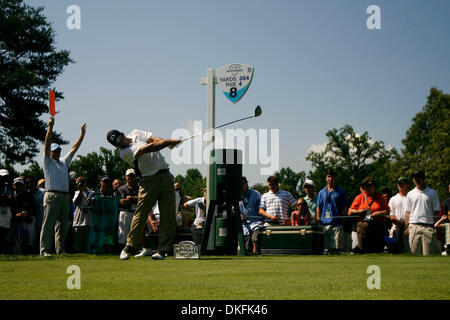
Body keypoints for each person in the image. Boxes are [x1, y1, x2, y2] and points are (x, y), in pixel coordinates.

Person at [107, 129, 180, 260]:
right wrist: (168, 142)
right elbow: (149, 148)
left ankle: (162, 250)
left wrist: (166, 143)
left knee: (168, 214)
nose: (121, 144)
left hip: (166, 175)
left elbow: (153, 140)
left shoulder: (135, 133)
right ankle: (130, 245)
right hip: (148, 181)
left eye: (121, 140)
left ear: (123, 134)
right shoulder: (123, 152)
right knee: (140, 214)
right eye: (118, 144)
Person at [40, 116, 86, 257]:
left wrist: (82, 135)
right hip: (52, 195)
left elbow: (74, 148)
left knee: (62, 226)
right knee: (48, 224)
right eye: (56, 150)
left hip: (65, 197)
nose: (58, 152)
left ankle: (60, 250)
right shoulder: (48, 161)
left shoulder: (63, 162)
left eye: (59, 150)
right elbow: (47, 143)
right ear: (51, 152)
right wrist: (50, 127)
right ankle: (45, 250)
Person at [404, 170, 441, 255]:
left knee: (429, 255)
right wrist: (406, 227)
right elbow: (407, 212)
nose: (416, 180)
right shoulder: (410, 194)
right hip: (413, 226)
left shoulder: (432, 193)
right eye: (414, 178)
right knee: (413, 254)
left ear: (423, 178)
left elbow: (436, 212)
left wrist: (435, 226)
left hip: (428, 227)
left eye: (418, 177)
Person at [349, 177, 389, 253]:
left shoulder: (380, 197)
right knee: (364, 249)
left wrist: (378, 213)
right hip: (363, 226)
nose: (367, 187)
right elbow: (350, 211)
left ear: (374, 186)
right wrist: (359, 211)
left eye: (370, 185)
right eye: (365, 185)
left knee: (377, 250)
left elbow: (387, 211)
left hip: (377, 226)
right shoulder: (359, 197)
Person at [316, 169, 348, 254]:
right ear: (326, 178)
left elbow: (345, 208)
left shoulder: (341, 191)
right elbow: (318, 208)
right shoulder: (321, 192)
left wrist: (344, 222)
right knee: (325, 250)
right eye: (329, 176)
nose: (331, 178)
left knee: (337, 249)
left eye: (333, 177)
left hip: (337, 224)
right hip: (324, 224)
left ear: (336, 178)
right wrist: (319, 221)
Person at [87, 176, 119, 254]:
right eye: (104, 181)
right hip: (98, 220)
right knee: (97, 235)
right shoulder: (95, 194)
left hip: (109, 219)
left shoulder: (112, 194)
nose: (106, 184)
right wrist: (90, 201)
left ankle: (108, 250)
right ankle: (97, 250)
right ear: (100, 182)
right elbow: (89, 204)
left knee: (108, 235)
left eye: (108, 182)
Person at [10, 177, 37, 254]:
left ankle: (29, 251)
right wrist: (16, 215)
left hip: (28, 219)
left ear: (24, 186)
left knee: (30, 235)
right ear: (13, 186)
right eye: (17, 185)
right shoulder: (12, 196)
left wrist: (27, 215)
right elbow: (11, 210)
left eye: (20, 185)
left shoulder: (29, 196)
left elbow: (34, 209)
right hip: (16, 220)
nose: (19, 187)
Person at [239, 177, 263, 254]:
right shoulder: (236, 196)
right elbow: (233, 209)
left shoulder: (256, 194)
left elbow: (262, 207)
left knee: (255, 236)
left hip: (256, 222)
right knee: (246, 239)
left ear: (247, 184)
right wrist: (239, 215)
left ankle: (256, 252)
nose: (242, 186)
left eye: (243, 184)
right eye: (240, 184)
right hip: (245, 224)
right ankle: (247, 253)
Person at [117, 169, 139, 251]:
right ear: (126, 177)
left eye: (132, 175)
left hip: (136, 212)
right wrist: (136, 199)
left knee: (135, 234)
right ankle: (121, 251)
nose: (131, 177)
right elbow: (122, 201)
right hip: (125, 213)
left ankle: (134, 251)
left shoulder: (138, 187)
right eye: (129, 176)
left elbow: (142, 198)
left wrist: (131, 198)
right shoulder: (121, 188)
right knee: (123, 234)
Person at [388, 177, 411, 253]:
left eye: (403, 184)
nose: (400, 185)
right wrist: (399, 224)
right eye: (399, 184)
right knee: (394, 251)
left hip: (409, 228)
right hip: (395, 228)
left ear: (407, 185)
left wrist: (406, 226)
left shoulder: (411, 197)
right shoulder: (393, 199)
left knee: (409, 251)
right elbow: (391, 215)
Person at [72, 176, 93, 253]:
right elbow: (74, 202)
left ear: (86, 183)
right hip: (78, 221)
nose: (81, 184)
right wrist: (80, 191)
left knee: (87, 244)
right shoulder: (76, 193)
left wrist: (91, 201)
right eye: (79, 183)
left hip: (89, 221)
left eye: (82, 182)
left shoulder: (92, 193)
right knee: (77, 245)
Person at [25, 176, 44, 253]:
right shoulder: (27, 193)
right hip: (33, 219)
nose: (30, 184)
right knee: (33, 238)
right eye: (28, 182)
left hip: (42, 218)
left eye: (31, 182)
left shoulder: (43, 191)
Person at [0, 169, 13, 253]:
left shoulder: (9, 187)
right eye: (3, 177)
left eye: (6, 176)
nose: (4, 178)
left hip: (6, 211)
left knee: (4, 232)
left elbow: (11, 199)